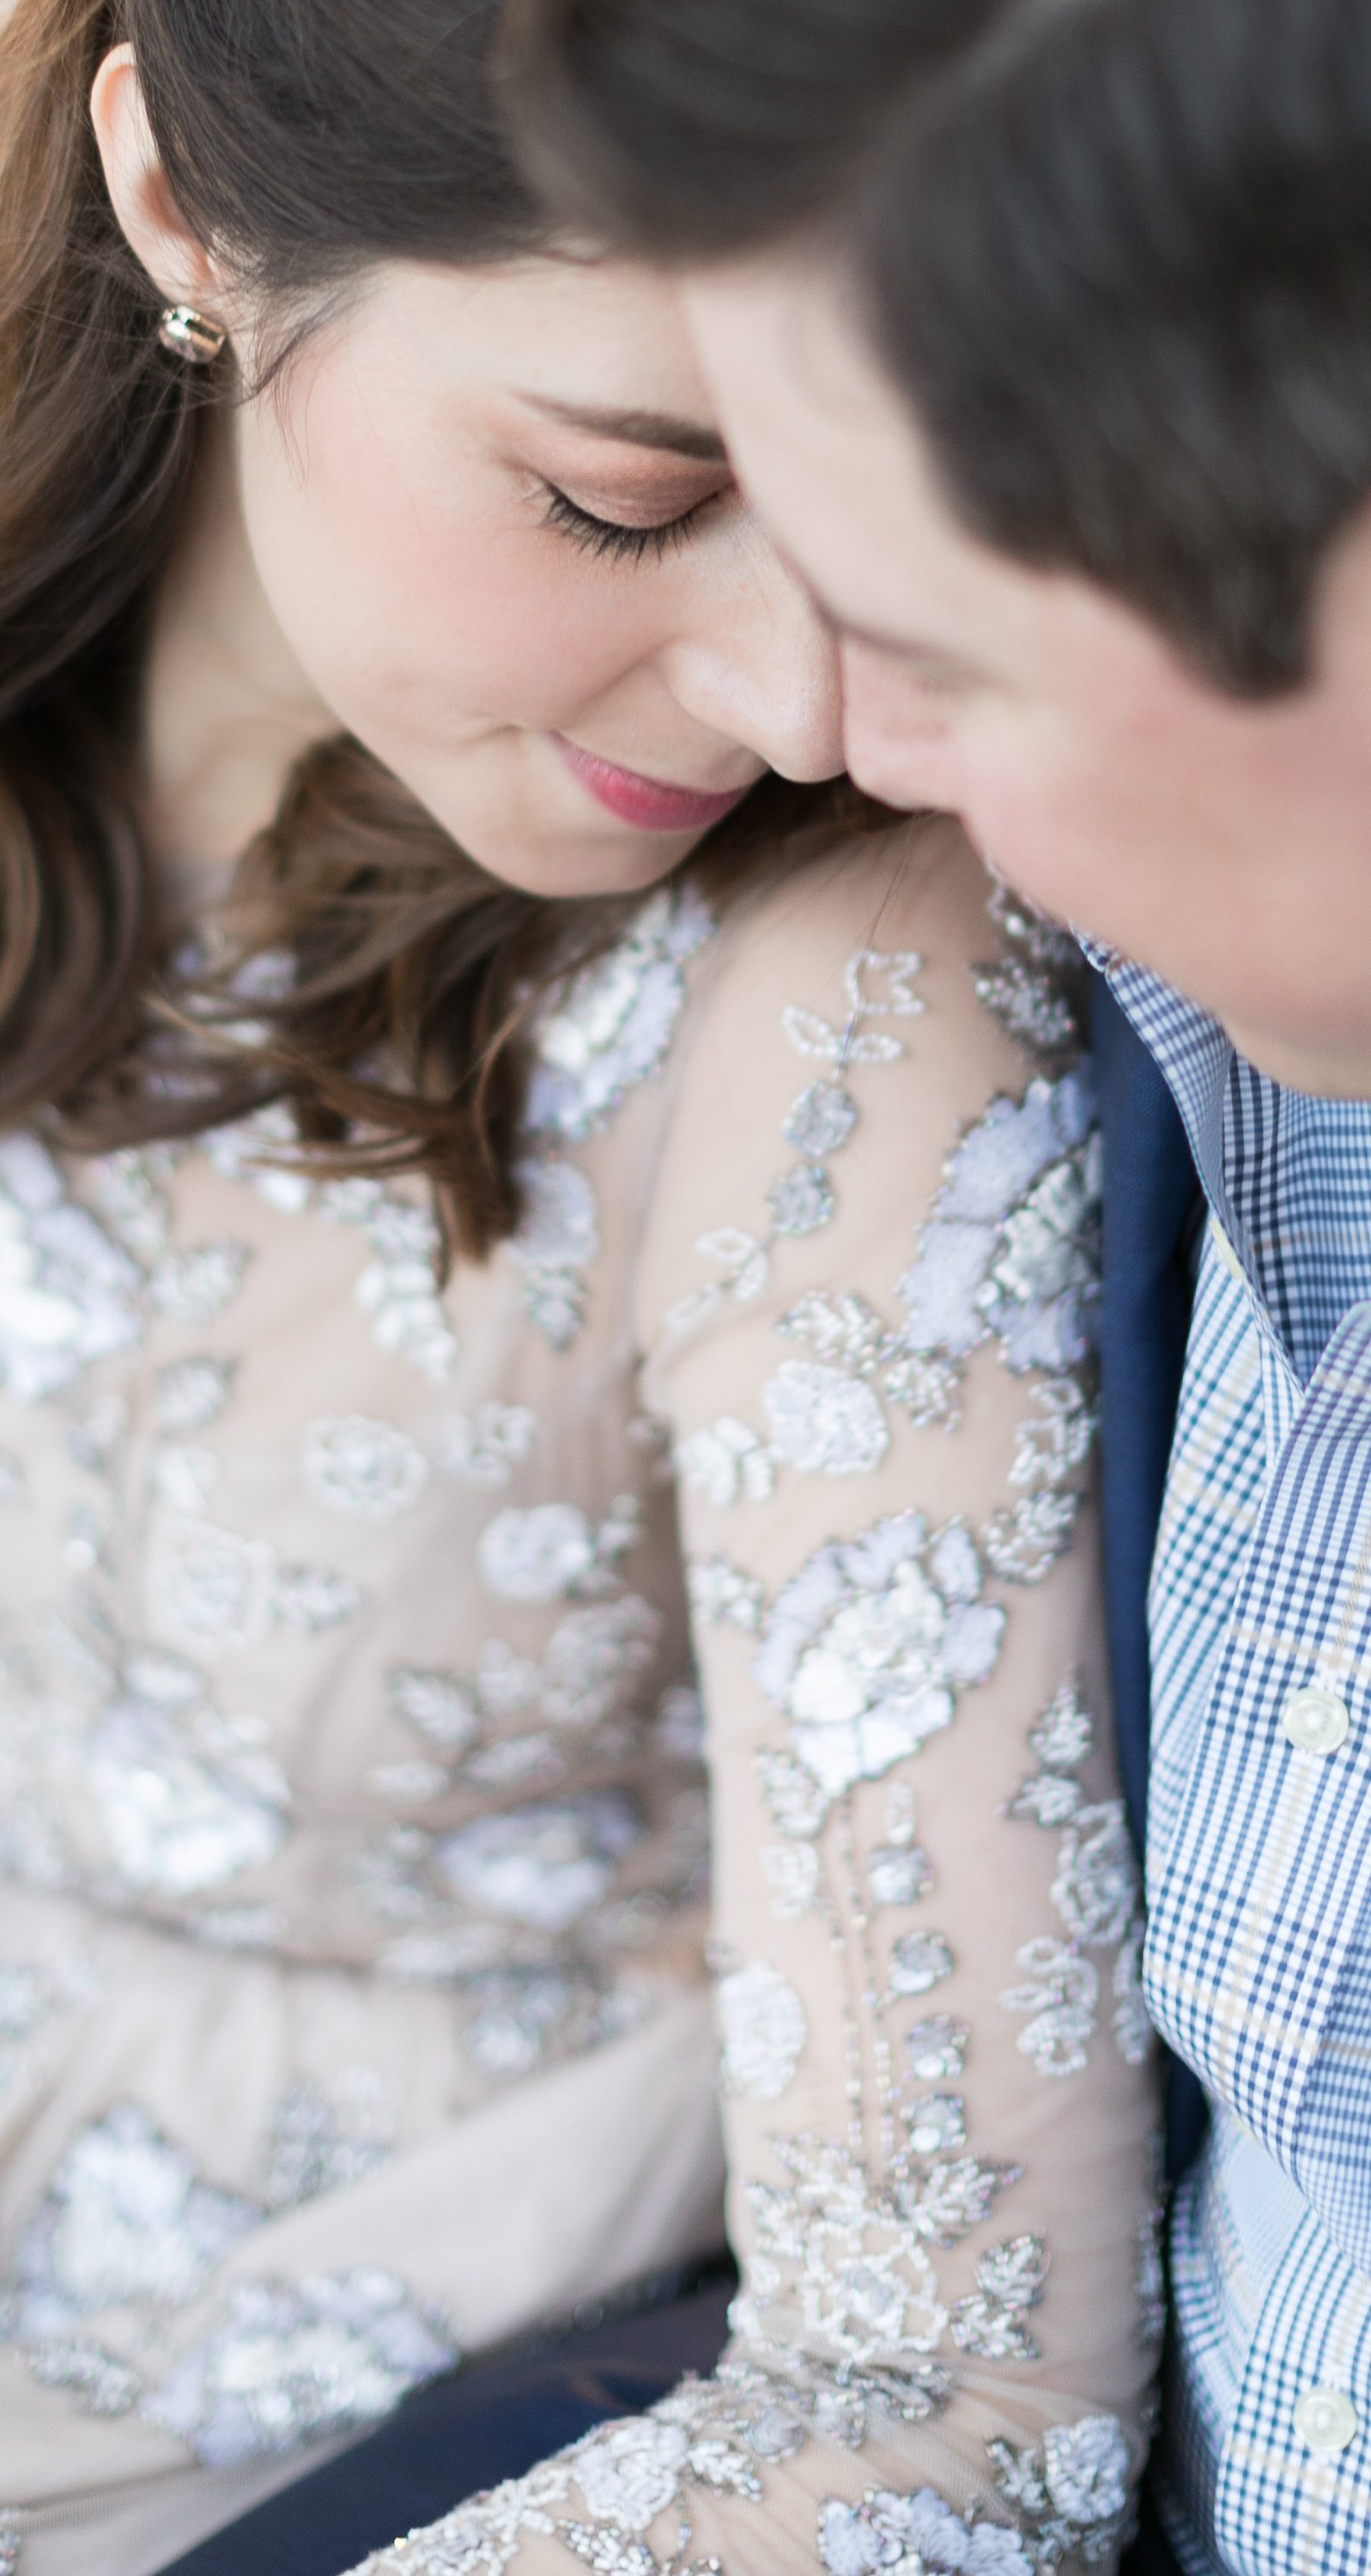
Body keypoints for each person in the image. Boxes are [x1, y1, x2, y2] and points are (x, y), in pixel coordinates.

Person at [0, 2, 1155, 2571]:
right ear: (184, 214)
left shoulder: (848, 980)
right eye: (619, 496)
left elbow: (952, 2402)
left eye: (905, 498)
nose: (811, 695)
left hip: (362, 2318)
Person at [339, 2, 1371, 2573]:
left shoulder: (914, 1005)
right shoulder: (1212, 1027)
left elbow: (944, 2387)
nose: (836, 731)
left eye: (937, 634)